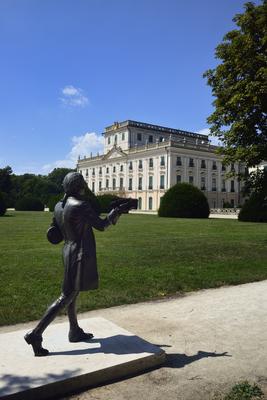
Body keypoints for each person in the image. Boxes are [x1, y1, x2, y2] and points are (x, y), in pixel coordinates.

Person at [24, 172, 120, 356]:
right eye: (82, 184)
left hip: (68, 251)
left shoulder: (58, 206)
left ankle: (74, 330)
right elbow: (102, 225)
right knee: (67, 295)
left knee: (72, 293)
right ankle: (36, 334)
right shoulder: (82, 205)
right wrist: (116, 213)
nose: (84, 186)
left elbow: (54, 231)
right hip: (80, 254)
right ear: (78, 186)